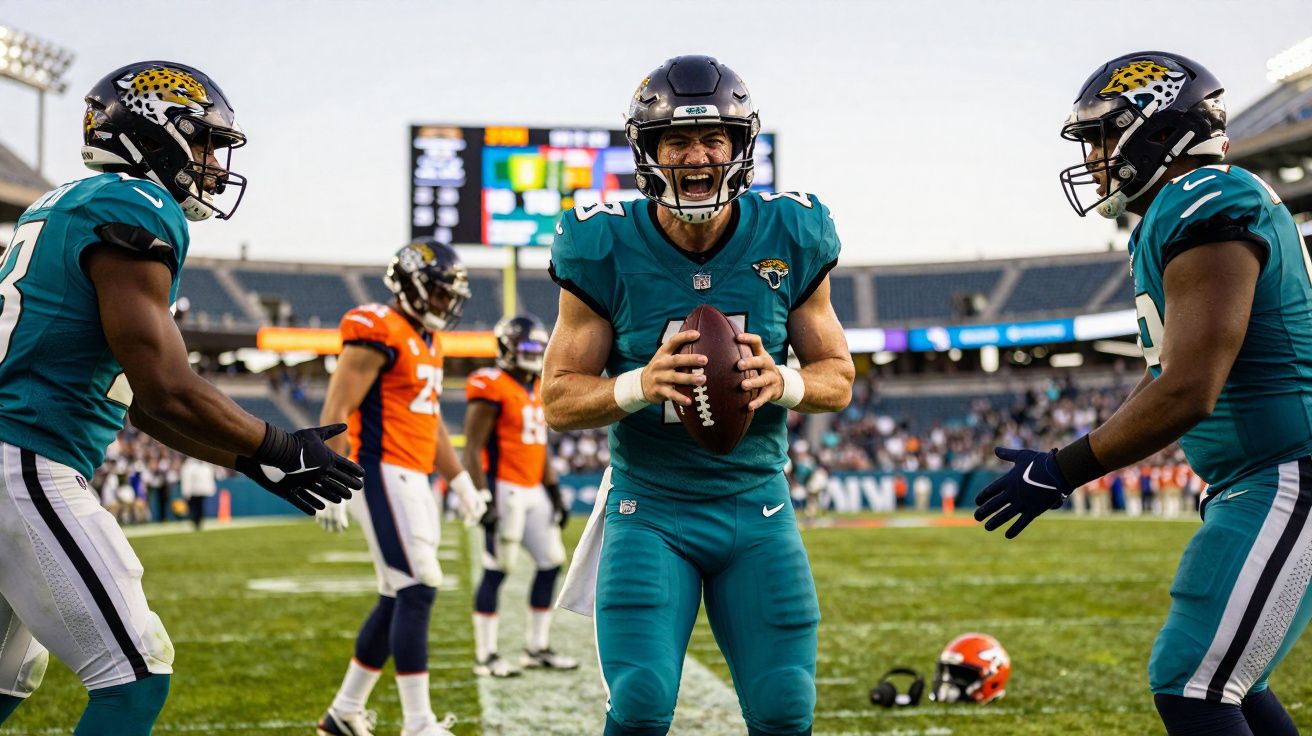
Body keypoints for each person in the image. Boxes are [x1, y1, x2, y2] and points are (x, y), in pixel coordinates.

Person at [0, 61, 362, 735]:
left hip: (18, 448)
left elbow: (140, 400)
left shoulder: (66, 205)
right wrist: (278, 444)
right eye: (203, 142)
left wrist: (247, 460)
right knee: (136, 673)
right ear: (149, 134)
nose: (214, 163)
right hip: (25, 455)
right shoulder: (132, 206)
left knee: (7, 676)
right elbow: (166, 386)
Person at [976, 51, 1312, 736]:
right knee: (1228, 683)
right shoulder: (1171, 213)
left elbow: (1190, 388)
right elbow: (1167, 372)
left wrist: (1064, 468)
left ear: (1159, 131)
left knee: (1193, 680)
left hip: (1289, 470)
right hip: (1259, 473)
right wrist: (1067, 453)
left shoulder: (1208, 196)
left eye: (1104, 135)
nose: (1095, 156)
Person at [544, 55, 854, 736]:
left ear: (741, 149)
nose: (698, 157)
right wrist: (637, 384)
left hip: (757, 506)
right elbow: (558, 401)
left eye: (715, 139)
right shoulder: (603, 242)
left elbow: (838, 375)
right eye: (677, 141)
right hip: (648, 508)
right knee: (643, 702)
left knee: (784, 708)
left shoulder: (792, 232)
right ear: (647, 151)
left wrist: (786, 381)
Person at [314, 240, 488, 736]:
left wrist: (459, 481)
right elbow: (336, 409)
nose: (444, 305)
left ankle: (344, 713)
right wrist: (329, 475)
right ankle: (418, 723)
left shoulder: (428, 340)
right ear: (411, 285)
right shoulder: (377, 327)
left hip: (415, 475)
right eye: (437, 293)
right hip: (381, 470)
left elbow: (428, 420)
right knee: (418, 588)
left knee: (397, 594)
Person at [466, 314, 578, 678]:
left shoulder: (538, 386)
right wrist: (481, 497)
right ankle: (486, 655)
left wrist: (555, 491)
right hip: (505, 489)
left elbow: (540, 445)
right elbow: (471, 448)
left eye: (536, 347)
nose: (532, 354)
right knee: (498, 568)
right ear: (507, 348)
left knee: (550, 563)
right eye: (526, 347)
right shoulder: (491, 385)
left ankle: (537, 647)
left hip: (534, 489)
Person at [179, 456, 217, 530]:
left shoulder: (204, 465)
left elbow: (209, 477)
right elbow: (187, 480)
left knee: (199, 508)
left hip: (200, 491)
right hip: (194, 491)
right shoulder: (190, 465)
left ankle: (198, 522)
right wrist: (186, 492)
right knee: (195, 508)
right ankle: (196, 521)